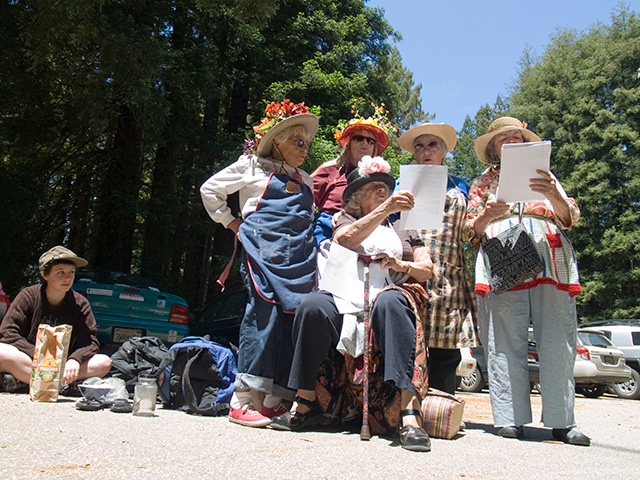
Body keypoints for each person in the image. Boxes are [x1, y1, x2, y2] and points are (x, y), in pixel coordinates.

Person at [271, 156, 435, 452]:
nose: (383, 191)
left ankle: (410, 412)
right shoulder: (347, 220)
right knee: (312, 306)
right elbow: (344, 241)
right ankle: (305, 400)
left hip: (390, 291)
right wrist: (386, 209)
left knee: (390, 301)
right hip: (346, 295)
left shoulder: (404, 226)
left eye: (386, 187)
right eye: (374, 188)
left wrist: (401, 264)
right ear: (357, 197)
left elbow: (427, 268)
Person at [464, 116, 589, 446]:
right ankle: (509, 418)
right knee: (503, 337)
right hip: (503, 249)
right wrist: (489, 214)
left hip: (550, 253)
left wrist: (554, 196)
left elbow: (570, 216)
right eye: (504, 139)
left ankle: (563, 420)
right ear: (494, 149)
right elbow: (469, 228)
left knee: (558, 336)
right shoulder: (482, 184)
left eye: (517, 138)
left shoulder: (546, 178)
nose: (512, 143)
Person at [200, 99, 319, 428]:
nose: (304, 148)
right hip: (262, 253)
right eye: (298, 142)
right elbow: (209, 190)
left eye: (307, 143)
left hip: (299, 261)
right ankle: (240, 400)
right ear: (277, 141)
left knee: (289, 323)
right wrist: (230, 222)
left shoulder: (306, 180)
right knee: (261, 315)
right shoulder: (252, 167)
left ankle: (271, 400)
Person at [398, 123, 477, 394]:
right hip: (410, 270)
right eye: (419, 146)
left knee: (446, 352)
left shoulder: (462, 185)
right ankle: (407, 410)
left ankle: (441, 409)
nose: (425, 151)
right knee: (409, 344)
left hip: (449, 275)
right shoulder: (400, 184)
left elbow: (469, 229)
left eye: (432, 145)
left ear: (443, 151)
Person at [0, 246, 112, 393]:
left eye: (71, 272)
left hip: (64, 365)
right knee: (2, 352)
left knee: (104, 362)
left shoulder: (80, 303)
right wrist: (40, 355)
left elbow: (90, 342)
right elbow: (8, 333)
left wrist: (75, 359)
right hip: (32, 360)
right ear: (45, 274)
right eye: (60, 273)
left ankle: (36, 383)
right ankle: (62, 385)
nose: (67, 278)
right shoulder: (28, 296)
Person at [312, 105, 391, 246]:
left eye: (370, 141)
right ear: (348, 144)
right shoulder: (331, 171)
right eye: (358, 138)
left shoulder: (381, 180)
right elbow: (303, 201)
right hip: (329, 236)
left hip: (370, 236)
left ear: (374, 149)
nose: (364, 143)